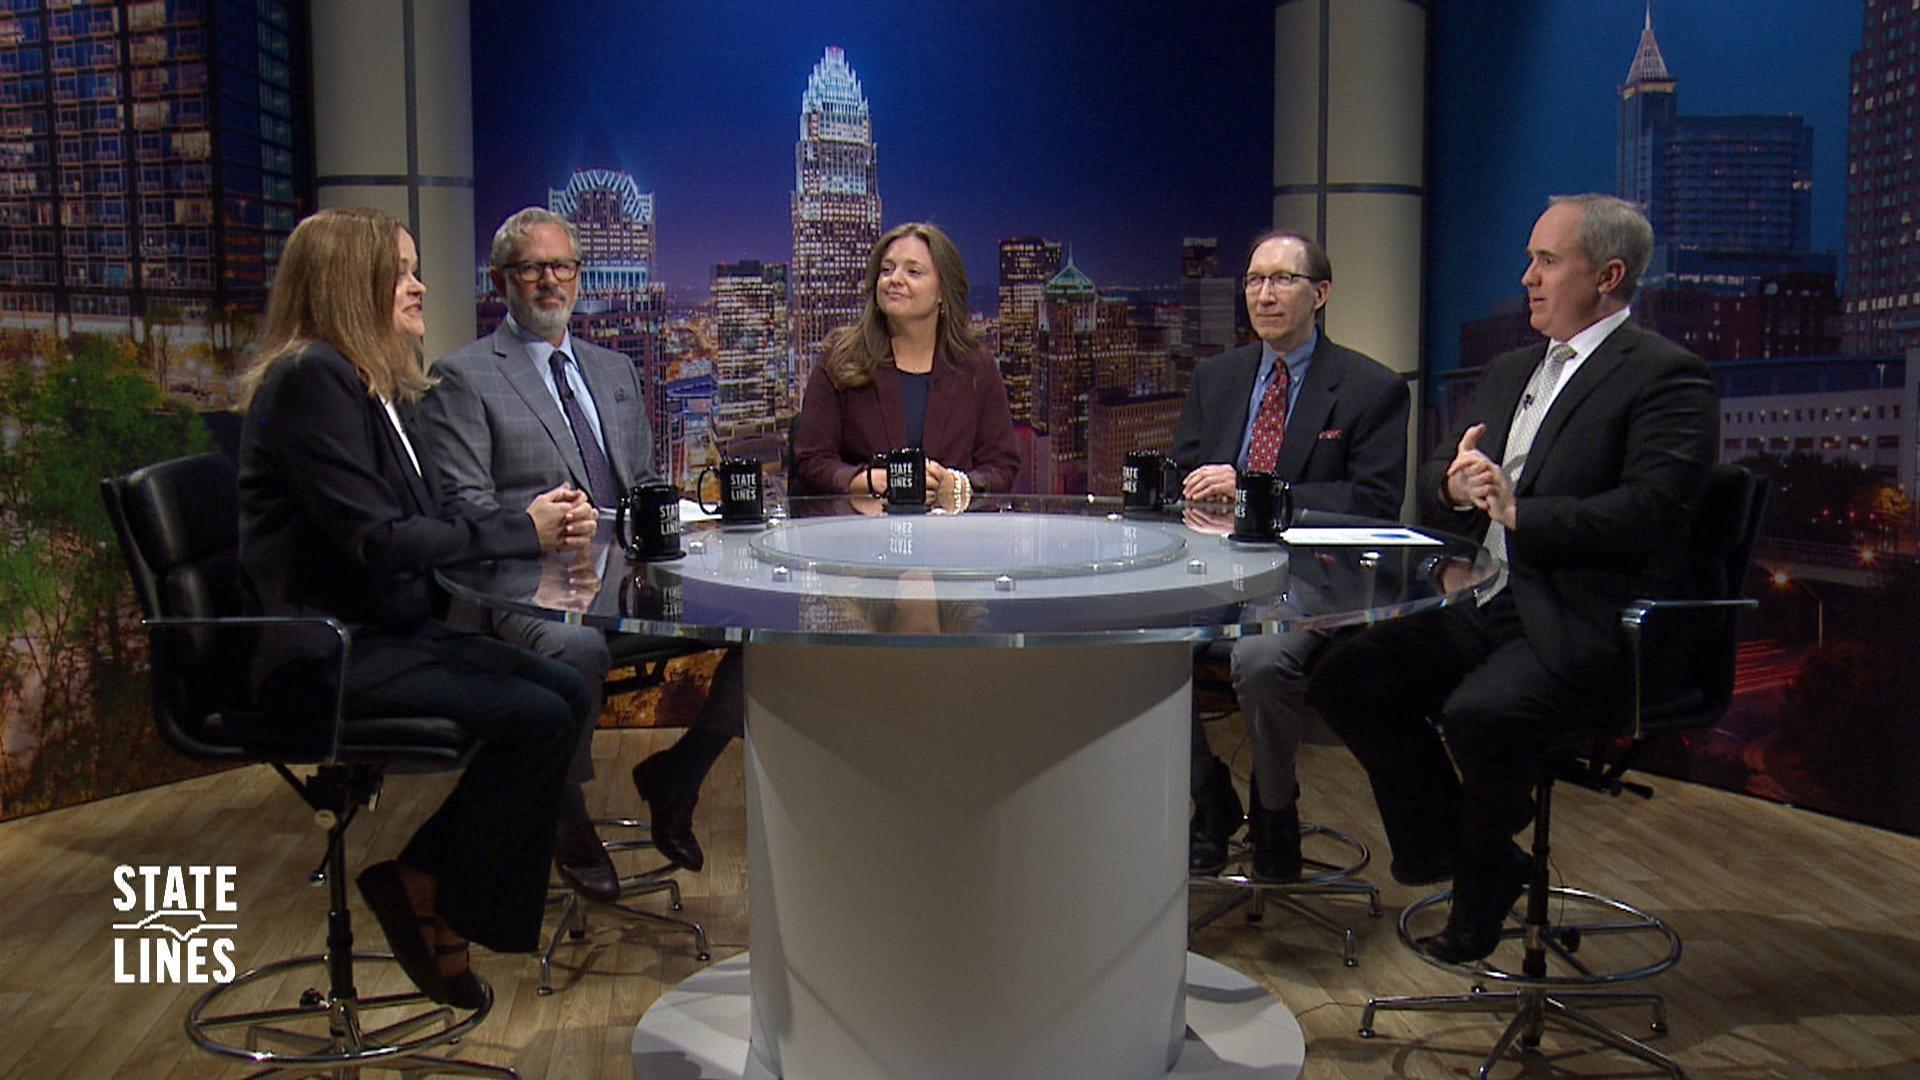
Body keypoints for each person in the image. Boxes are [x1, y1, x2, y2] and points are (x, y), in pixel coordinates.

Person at [1305, 194, 1718, 963]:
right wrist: (1454, 487)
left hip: (1582, 613)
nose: (1527, 277)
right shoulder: (1509, 369)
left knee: (1479, 714)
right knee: (1345, 677)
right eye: (1530, 259)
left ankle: (1478, 878)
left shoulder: (1666, 377)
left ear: (1609, 275)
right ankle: (1479, 857)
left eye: (1547, 261)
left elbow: (1653, 513)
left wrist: (1523, 512)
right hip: (1488, 600)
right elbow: (1441, 470)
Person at [235, 207, 598, 1008]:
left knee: (566, 692)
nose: (419, 284)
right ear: (348, 282)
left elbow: (420, 524)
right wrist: (522, 531)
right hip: (328, 654)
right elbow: (377, 538)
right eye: (401, 270)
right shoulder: (311, 378)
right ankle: (436, 900)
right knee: (537, 715)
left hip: (390, 631)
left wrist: (522, 527)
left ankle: (425, 881)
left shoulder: (372, 382)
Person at [420, 207, 741, 878]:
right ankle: (562, 808)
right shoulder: (464, 376)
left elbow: (645, 482)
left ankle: (681, 771)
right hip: (524, 584)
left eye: (561, 266)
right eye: (532, 268)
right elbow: (462, 508)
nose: (549, 281)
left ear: (577, 277)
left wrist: (687, 516)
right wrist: (538, 521)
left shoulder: (613, 369)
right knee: (577, 646)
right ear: (502, 281)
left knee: (756, 629)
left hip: (629, 579)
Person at [1170, 231, 1408, 882]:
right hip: (1216, 565)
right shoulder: (1216, 379)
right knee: (1142, 636)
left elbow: (1375, 502)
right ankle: (1208, 795)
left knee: (1262, 654)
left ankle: (1275, 811)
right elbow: (1182, 471)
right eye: (1253, 280)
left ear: (1320, 293)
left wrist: (1255, 491)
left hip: (1313, 574)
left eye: (1281, 280)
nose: (1264, 294)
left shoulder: (1370, 388)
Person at [791, 221, 1019, 507]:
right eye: (886, 270)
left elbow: (1001, 466)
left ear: (943, 293)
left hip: (952, 541)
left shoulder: (976, 367)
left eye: (913, 272)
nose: (894, 279)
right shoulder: (840, 359)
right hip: (861, 539)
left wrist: (958, 484)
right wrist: (868, 481)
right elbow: (811, 461)